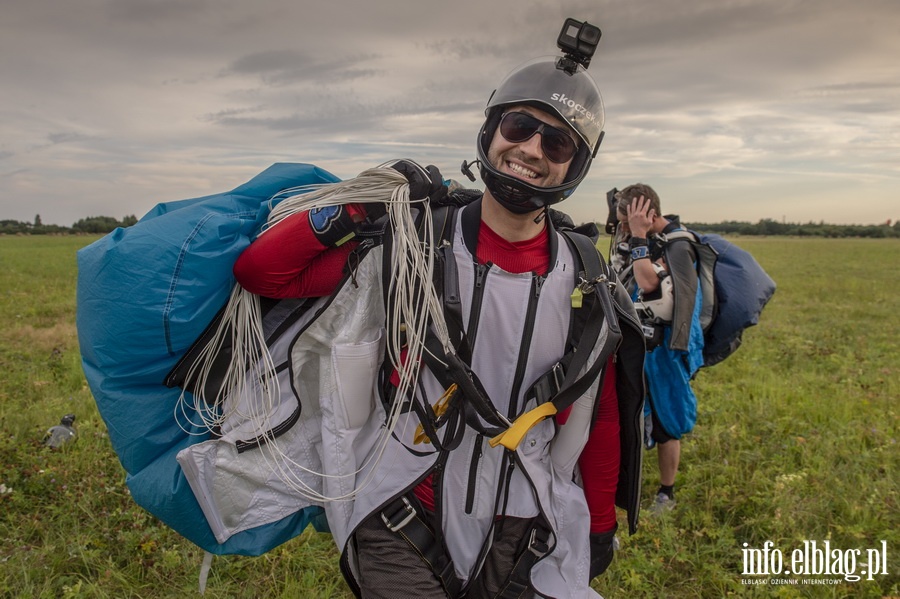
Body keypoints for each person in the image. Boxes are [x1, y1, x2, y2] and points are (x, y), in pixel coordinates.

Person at [232, 22, 645, 599]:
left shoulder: (588, 280)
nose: (530, 150)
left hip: (522, 527)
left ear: (575, 167)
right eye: (519, 126)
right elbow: (262, 273)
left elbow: (597, 414)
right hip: (400, 513)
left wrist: (599, 525)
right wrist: (360, 208)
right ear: (490, 127)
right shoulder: (408, 243)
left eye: (557, 144)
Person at [611, 183, 705, 514]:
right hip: (640, 342)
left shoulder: (680, 245)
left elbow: (650, 284)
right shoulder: (653, 240)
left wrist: (637, 236)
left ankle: (667, 492)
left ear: (647, 215)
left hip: (667, 348)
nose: (624, 228)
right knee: (625, 410)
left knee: (667, 422)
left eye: (629, 220)